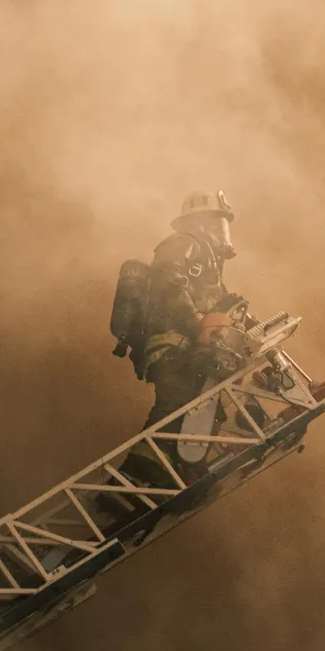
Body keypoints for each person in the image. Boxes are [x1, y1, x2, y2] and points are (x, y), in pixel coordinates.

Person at [119, 190, 248, 491]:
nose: (221, 233)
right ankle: (136, 476)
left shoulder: (211, 269)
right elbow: (169, 277)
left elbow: (215, 311)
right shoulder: (184, 244)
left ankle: (181, 465)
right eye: (217, 224)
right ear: (199, 222)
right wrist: (194, 318)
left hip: (186, 346)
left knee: (202, 407)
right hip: (169, 344)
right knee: (176, 403)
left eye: (223, 225)